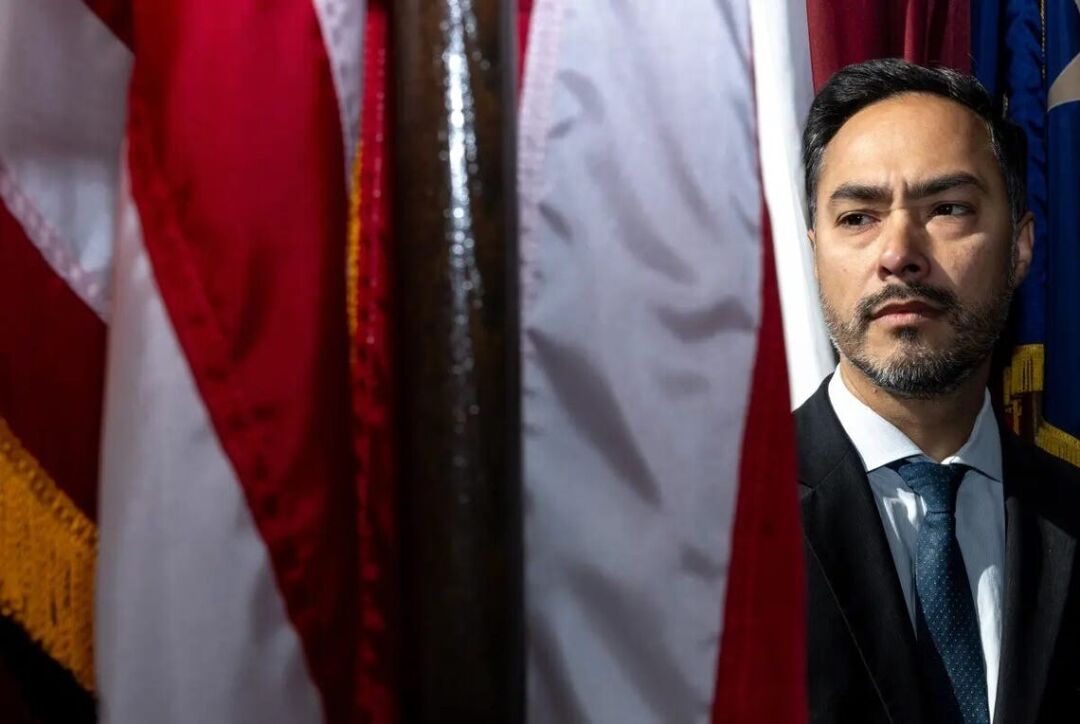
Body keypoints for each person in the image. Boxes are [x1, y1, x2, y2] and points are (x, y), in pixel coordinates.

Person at [797, 58, 1080, 723]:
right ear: (814, 252)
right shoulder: (715, 538)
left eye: (948, 208)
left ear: (1020, 247)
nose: (899, 251)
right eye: (858, 217)